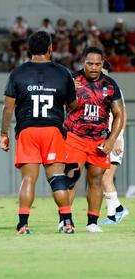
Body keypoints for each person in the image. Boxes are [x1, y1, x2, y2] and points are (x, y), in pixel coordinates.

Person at [0, 31, 78, 235]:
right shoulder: (63, 73)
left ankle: (23, 224)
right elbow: (73, 105)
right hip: (52, 130)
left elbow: (7, 108)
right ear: (50, 49)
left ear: (28, 50)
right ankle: (67, 222)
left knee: (28, 180)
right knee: (58, 179)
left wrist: (3, 133)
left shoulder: (17, 73)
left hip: (27, 131)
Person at [64, 47, 125, 232]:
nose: (93, 67)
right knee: (70, 178)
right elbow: (62, 105)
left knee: (96, 180)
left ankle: (92, 222)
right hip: (74, 137)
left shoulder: (110, 84)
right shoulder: (72, 80)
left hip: (99, 140)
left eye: (98, 64)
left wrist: (112, 139)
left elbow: (119, 114)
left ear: (103, 63)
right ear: (83, 62)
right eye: (90, 63)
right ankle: (65, 219)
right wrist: (69, 92)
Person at [99, 61, 129, 225]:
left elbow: (122, 115)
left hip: (114, 139)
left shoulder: (114, 89)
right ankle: (118, 209)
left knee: (106, 177)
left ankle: (112, 215)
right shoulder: (96, 90)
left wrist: (118, 138)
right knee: (101, 177)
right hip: (102, 139)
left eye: (103, 70)